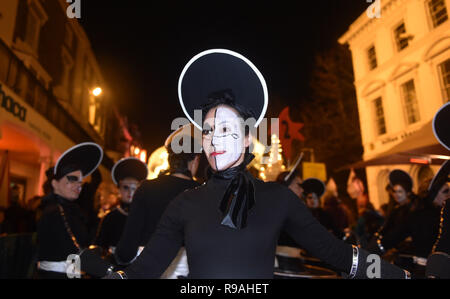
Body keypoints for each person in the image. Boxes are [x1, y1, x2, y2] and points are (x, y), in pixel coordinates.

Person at [106, 49, 409, 279]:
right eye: (208, 131)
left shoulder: (277, 199)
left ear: (248, 137)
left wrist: (399, 275)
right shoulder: (183, 204)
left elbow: (336, 253)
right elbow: (143, 271)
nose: (214, 139)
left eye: (225, 129)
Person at [113, 124, 201, 275]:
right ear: (195, 160)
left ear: (170, 159)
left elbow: (128, 244)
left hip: (147, 270)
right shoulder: (202, 192)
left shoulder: (147, 188)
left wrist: (120, 257)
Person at [36, 142, 103, 279]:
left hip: (72, 274)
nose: (78, 185)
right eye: (72, 180)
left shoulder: (73, 211)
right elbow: (73, 249)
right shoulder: (54, 212)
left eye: (80, 181)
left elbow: (83, 242)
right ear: (55, 184)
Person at [367, 168, 448, 278]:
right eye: (445, 191)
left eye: (400, 191)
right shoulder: (418, 215)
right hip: (425, 270)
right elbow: (395, 235)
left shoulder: (443, 213)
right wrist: (371, 251)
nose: (449, 194)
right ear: (433, 194)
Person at [95, 157, 148, 254]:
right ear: (119, 189)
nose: (130, 192)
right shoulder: (109, 218)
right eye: (126, 187)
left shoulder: (145, 218)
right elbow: (100, 246)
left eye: (134, 188)